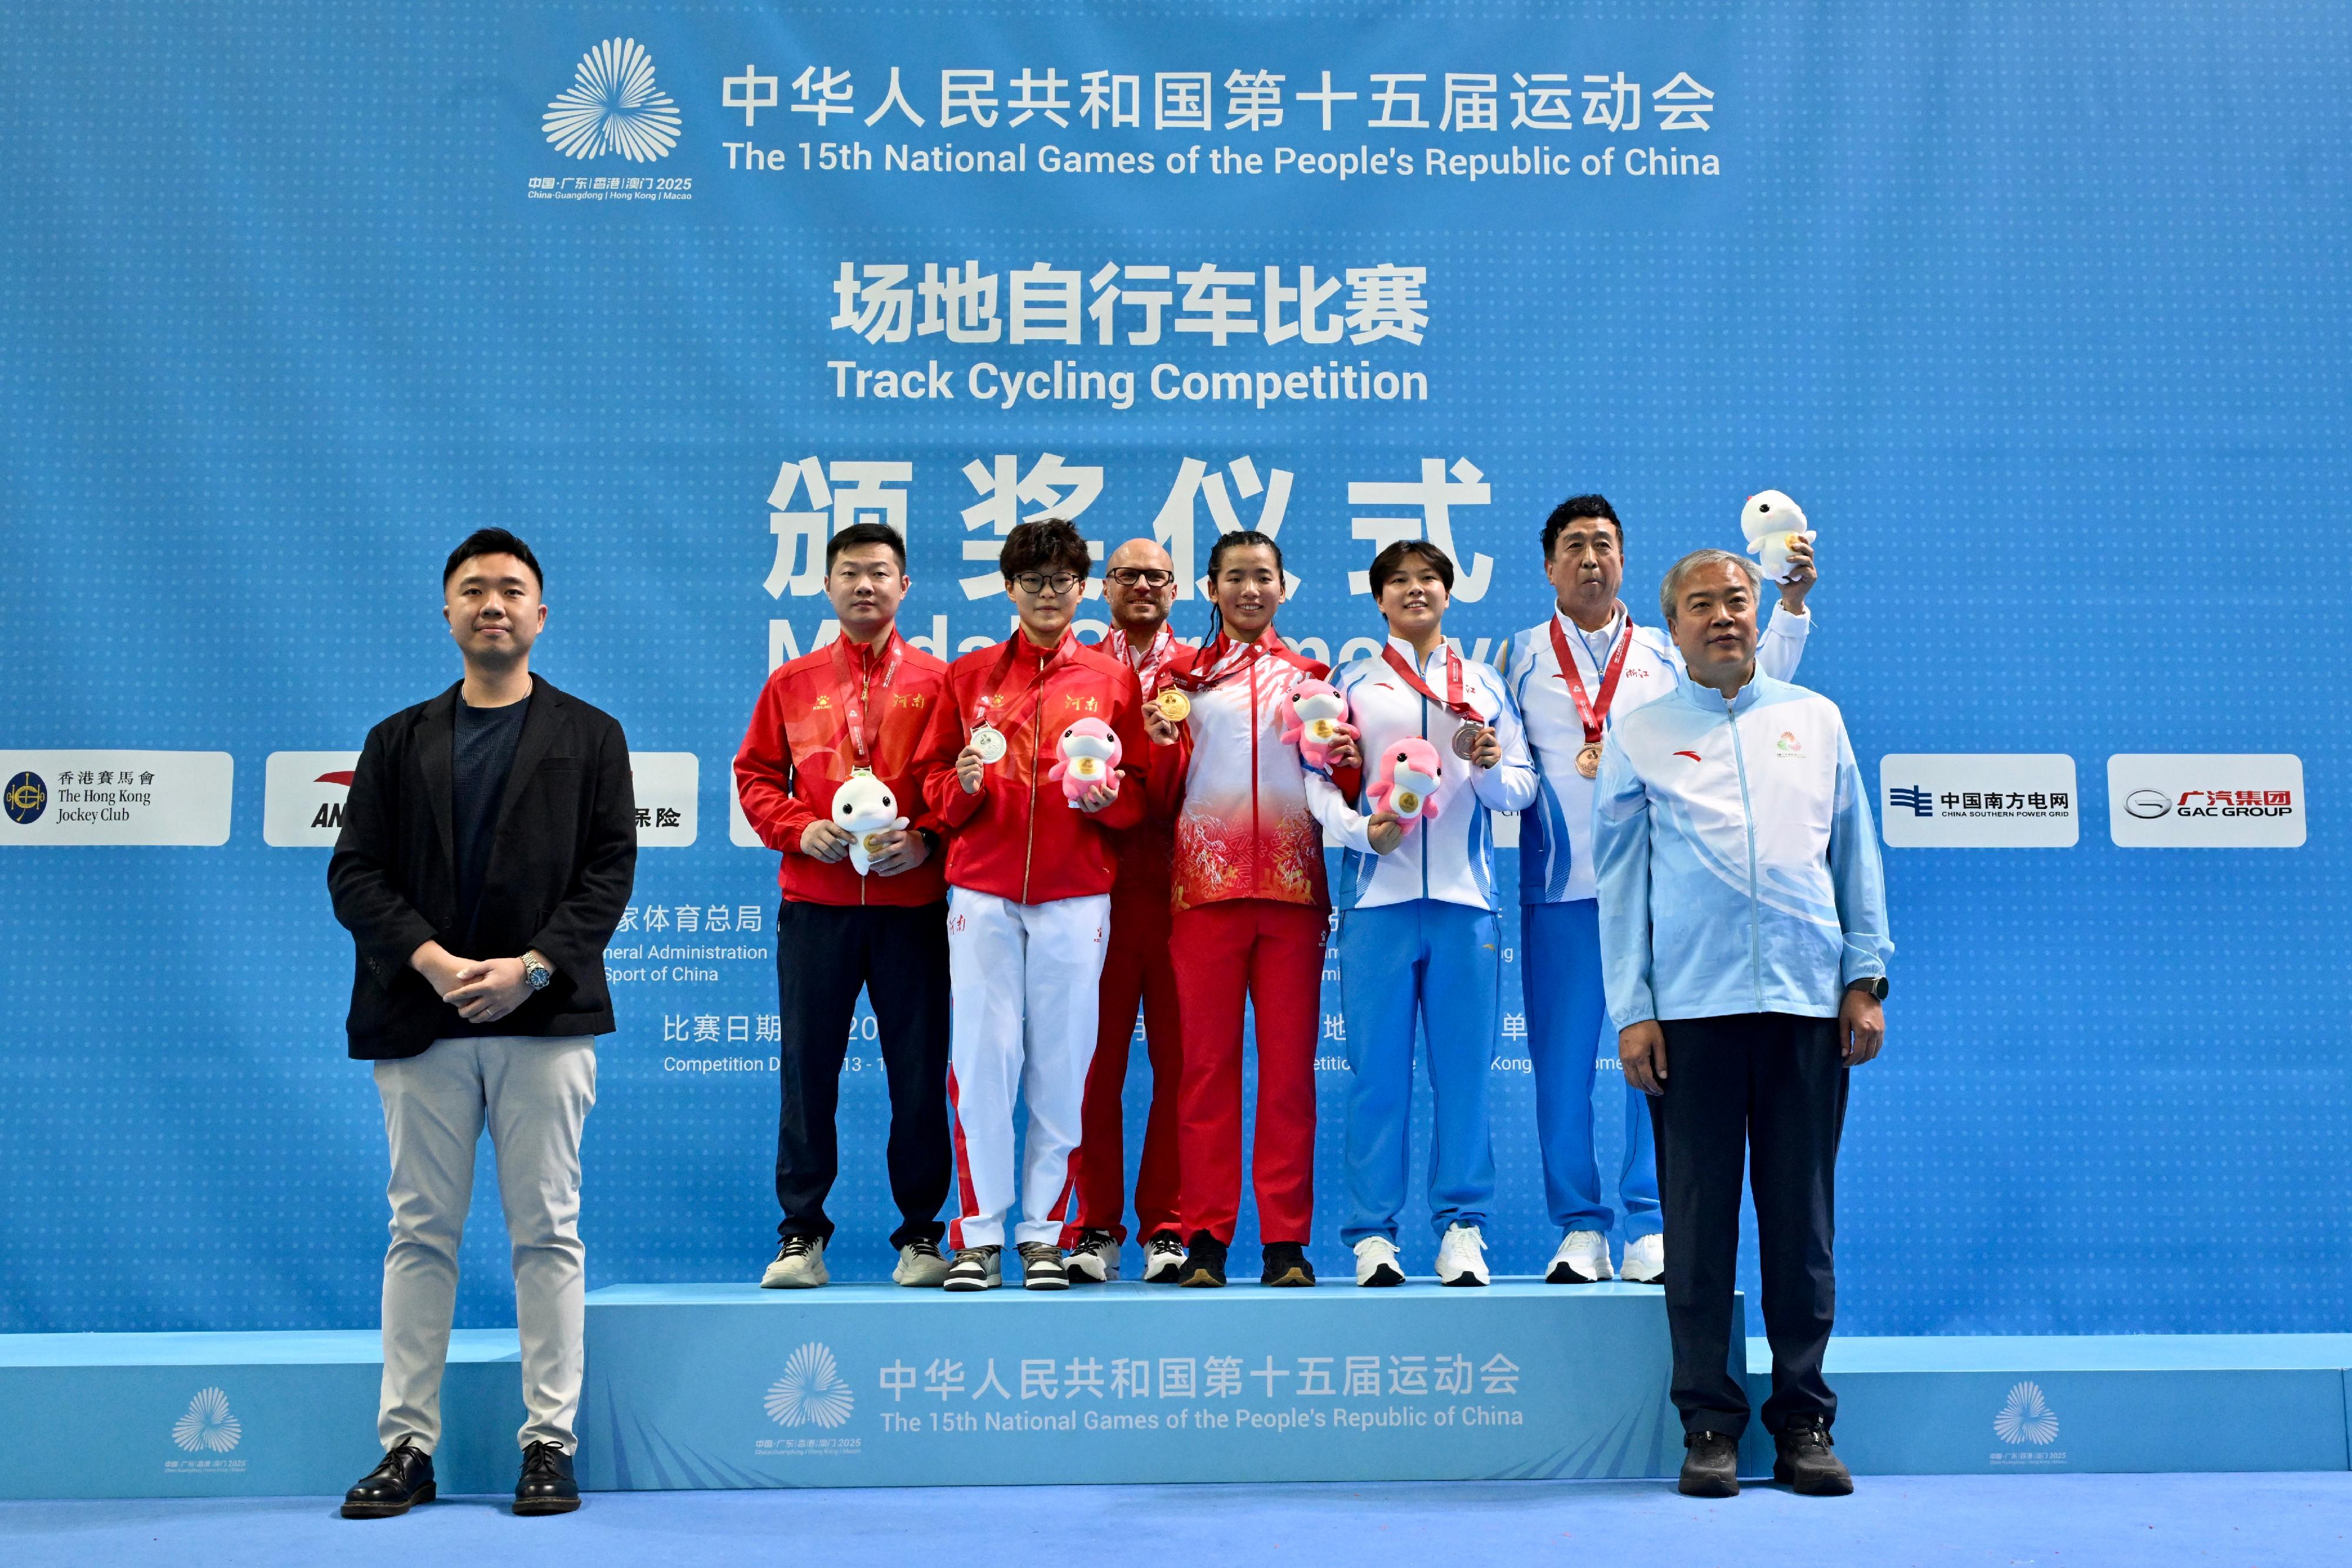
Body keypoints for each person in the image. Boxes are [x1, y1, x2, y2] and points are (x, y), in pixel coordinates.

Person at [328, 529, 636, 1519]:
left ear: (541, 615)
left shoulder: (592, 735)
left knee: (547, 1232)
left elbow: (608, 874)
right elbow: (356, 875)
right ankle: (407, 1445)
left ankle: (550, 1441)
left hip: (544, 1023)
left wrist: (531, 968)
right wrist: (435, 961)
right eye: (473, 591)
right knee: (421, 1233)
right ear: (448, 613)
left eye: (511, 590)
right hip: (421, 1022)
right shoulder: (396, 739)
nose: (491, 604)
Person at [1592, 548, 1889, 1500]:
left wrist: (1865, 977)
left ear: (1758, 612)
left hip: (1807, 1008)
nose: (1722, 616)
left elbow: (1855, 853)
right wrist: (1634, 1010)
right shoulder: (1640, 733)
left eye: (1736, 600)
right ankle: (1708, 1424)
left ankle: (1804, 1419)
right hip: (1691, 1019)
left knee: (1800, 1226)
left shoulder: (1816, 718)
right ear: (1670, 628)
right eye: (1700, 606)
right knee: (1698, 1224)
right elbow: (1620, 885)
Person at [1505, 495, 1816, 1286]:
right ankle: (1579, 1226)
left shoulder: (1662, 647)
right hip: (1564, 895)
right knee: (1563, 1066)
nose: (1590, 559)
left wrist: (1791, 607)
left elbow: (1754, 685)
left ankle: (1649, 1221)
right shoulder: (1517, 657)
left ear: (1624, 559)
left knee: (1660, 1063)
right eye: (1574, 546)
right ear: (1548, 567)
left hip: (1660, 897)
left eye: (1604, 544)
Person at [920, 517, 1149, 1291]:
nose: (1047, 595)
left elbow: (1139, 794)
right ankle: (978, 1234)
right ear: (1009, 587)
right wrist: (965, 786)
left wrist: (1107, 800)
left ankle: (1045, 1232)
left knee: (1064, 1064)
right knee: (982, 1061)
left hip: (1076, 893)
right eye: (1032, 581)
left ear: (1082, 589)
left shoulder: (1113, 680)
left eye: (1060, 581)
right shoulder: (969, 676)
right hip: (982, 890)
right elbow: (933, 788)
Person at [734, 521, 953, 1290]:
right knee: (807, 1069)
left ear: (905, 586)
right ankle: (802, 1234)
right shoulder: (791, 682)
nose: (866, 584)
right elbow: (756, 775)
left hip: (913, 905)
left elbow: (955, 787)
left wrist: (926, 839)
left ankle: (923, 1233)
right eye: (851, 572)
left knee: (920, 1072)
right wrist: (802, 828)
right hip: (817, 902)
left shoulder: (938, 681)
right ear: (827, 586)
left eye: (881, 571)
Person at [1312, 540, 1537, 1288]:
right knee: (1375, 1077)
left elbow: (1521, 791)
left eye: (1428, 580)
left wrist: (1486, 761)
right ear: (1378, 600)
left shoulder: (1482, 684)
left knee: (1464, 1076)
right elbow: (1319, 785)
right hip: (1376, 904)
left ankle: (1462, 1229)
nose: (1415, 591)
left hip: (1466, 905)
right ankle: (1372, 1236)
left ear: (1449, 594)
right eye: (1398, 582)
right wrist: (1358, 832)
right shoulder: (1349, 682)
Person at [1142, 529, 1338, 1288]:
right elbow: (1159, 798)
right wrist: (1160, 740)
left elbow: (1336, 785)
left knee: (1289, 1075)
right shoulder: (1182, 681)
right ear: (1210, 588)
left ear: (1284, 587)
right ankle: (1206, 1238)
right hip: (1204, 892)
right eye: (1234, 577)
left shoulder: (1312, 679)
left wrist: (1347, 761)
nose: (1249, 590)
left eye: (1263, 577)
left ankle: (1286, 1240)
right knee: (1206, 1071)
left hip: (1293, 895)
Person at [1063, 539, 1188, 1283]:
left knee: (1179, 1068)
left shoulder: (1204, 670)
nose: (1141, 585)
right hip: (1092, 888)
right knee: (1092, 1065)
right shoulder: (1079, 670)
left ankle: (1167, 1226)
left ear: (1178, 588)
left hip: (1182, 891)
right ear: (1101, 588)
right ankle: (1094, 1225)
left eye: (1155, 575)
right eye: (1126, 575)